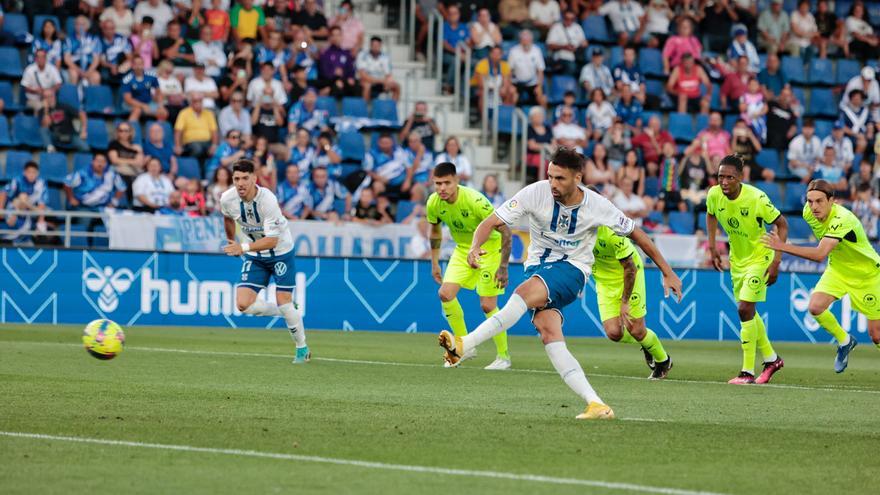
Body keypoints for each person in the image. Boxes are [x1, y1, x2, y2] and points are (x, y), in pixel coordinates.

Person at [438, 147, 683, 419]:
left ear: (577, 177)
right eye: (550, 176)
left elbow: (640, 236)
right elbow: (491, 221)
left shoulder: (598, 205)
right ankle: (596, 404)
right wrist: (474, 247)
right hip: (538, 267)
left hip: (572, 269)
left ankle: (464, 345)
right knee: (549, 334)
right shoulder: (535, 192)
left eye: (560, 178)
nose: (553, 184)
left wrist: (667, 271)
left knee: (523, 292)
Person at [763, 179, 880, 372]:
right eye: (810, 201)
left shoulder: (843, 219)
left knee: (876, 335)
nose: (813, 207)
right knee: (815, 307)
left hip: (867, 275)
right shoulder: (808, 213)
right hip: (838, 270)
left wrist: (781, 246)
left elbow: (819, 255)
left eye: (819, 201)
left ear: (832, 201)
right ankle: (845, 341)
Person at [706, 155, 788, 385]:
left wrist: (776, 261)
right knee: (748, 311)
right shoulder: (713, 195)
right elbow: (711, 214)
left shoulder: (756, 198)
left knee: (744, 309)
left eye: (729, 177)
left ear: (740, 178)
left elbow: (782, 224)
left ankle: (747, 372)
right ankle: (772, 359)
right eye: (720, 176)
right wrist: (713, 247)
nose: (724, 181)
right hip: (738, 260)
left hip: (761, 258)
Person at [220, 159, 310, 364]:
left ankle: (301, 348)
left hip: (280, 252)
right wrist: (231, 240)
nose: (240, 183)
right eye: (236, 179)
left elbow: (272, 240)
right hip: (255, 255)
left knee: (284, 299)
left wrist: (241, 247)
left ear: (254, 178)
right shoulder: (227, 199)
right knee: (243, 304)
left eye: (245, 178)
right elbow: (226, 217)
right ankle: (286, 311)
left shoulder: (267, 200)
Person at [428, 162, 513, 370]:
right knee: (445, 294)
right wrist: (435, 262)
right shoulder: (433, 203)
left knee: (487, 305)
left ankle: (504, 356)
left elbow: (505, 231)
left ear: (457, 181)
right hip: (463, 249)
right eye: (438, 183)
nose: (442, 188)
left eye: (447, 183)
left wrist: (503, 266)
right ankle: (464, 347)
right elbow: (436, 232)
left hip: (490, 248)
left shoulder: (475, 200)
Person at [591, 222, 673, 379]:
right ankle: (647, 344)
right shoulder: (575, 230)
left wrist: (624, 302)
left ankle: (663, 361)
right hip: (604, 280)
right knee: (614, 333)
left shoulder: (611, 232)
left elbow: (630, 268)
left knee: (636, 330)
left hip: (629, 274)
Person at [0, 161, 48, 243]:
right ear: (24, 172)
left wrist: (41, 220)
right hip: (14, 208)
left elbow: (42, 204)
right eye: (29, 172)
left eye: (34, 172)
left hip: (31, 210)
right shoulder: (17, 180)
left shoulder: (41, 184)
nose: (31, 175)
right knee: (21, 198)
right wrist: (1, 209)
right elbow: (4, 192)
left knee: (43, 224)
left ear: (37, 173)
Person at [507, 29, 547, 107]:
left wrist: (539, 86)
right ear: (520, 40)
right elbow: (509, 71)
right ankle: (512, 117)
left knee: (542, 98)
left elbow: (540, 71)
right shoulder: (513, 51)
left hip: (532, 83)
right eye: (523, 39)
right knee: (512, 95)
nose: (525, 41)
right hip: (517, 82)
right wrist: (510, 85)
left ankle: (543, 117)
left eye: (527, 39)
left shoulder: (537, 51)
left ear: (531, 40)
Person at [174, 93, 219, 161]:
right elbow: (178, 131)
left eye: (200, 101)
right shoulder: (184, 113)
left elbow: (214, 131)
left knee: (217, 151)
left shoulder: (209, 113)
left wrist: (214, 145)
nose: (198, 103)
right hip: (190, 143)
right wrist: (178, 146)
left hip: (207, 142)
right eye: (195, 101)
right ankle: (195, 169)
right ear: (191, 102)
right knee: (197, 149)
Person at [122, 55, 166, 122]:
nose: (139, 66)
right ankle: (131, 130)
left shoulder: (151, 76)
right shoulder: (127, 79)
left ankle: (158, 130)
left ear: (143, 64)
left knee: (163, 113)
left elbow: (159, 92)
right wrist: (143, 106)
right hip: (131, 104)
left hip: (148, 102)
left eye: (140, 64)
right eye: (136, 64)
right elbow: (128, 99)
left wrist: (160, 106)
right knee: (137, 110)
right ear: (132, 65)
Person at [356, 37, 400, 102]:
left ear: (380, 45)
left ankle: (392, 108)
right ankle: (365, 109)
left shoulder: (385, 57)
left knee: (396, 87)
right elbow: (362, 75)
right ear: (370, 45)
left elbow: (388, 74)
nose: (375, 47)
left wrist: (387, 82)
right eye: (373, 45)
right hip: (367, 81)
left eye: (377, 45)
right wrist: (379, 81)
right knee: (367, 86)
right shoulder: (362, 55)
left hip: (381, 82)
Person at [318, 26, 358, 97]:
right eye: (333, 35)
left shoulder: (346, 53)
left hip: (345, 81)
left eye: (338, 35)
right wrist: (334, 72)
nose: (336, 38)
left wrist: (348, 77)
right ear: (330, 38)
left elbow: (351, 69)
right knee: (337, 86)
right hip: (330, 81)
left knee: (357, 85)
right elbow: (323, 71)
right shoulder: (325, 53)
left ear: (342, 37)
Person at [546, 10, 587, 76]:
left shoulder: (577, 27)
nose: (569, 21)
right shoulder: (556, 27)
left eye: (572, 19)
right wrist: (564, 47)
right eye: (567, 18)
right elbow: (549, 45)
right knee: (571, 67)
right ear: (563, 18)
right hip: (561, 56)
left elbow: (585, 42)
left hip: (576, 56)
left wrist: (578, 47)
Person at [64, 16, 101, 86]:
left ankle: (92, 96)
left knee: (96, 76)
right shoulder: (69, 39)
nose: (79, 26)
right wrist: (78, 70)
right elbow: (67, 59)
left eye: (82, 24)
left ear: (87, 26)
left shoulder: (94, 39)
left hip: (89, 67)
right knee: (73, 74)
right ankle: (73, 96)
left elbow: (96, 59)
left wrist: (88, 72)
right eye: (77, 24)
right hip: (74, 67)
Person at [22, 49, 63, 113]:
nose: (40, 59)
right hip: (34, 99)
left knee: (57, 108)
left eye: (43, 56)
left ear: (46, 58)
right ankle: (38, 122)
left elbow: (58, 83)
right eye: (38, 57)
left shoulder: (52, 68)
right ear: (35, 58)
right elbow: (25, 87)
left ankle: (53, 122)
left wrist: (50, 91)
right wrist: (36, 91)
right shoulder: (29, 69)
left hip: (49, 98)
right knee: (41, 107)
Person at [97, 19, 132, 84]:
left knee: (130, 73)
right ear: (103, 29)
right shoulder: (98, 40)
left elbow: (129, 57)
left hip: (121, 65)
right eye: (107, 28)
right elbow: (101, 61)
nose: (110, 31)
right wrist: (111, 66)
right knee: (105, 76)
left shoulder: (122, 38)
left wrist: (120, 67)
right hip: (106, 66)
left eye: (112, 28)